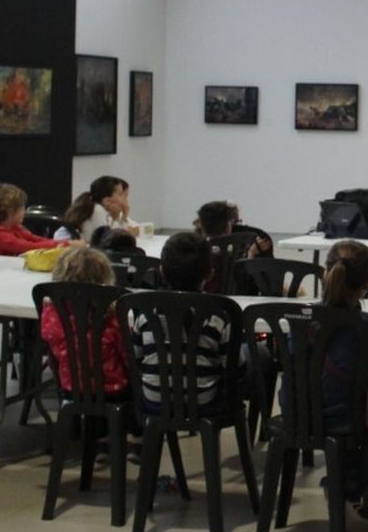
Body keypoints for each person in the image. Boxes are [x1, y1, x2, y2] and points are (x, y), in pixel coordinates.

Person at [278, 239, 368, 529]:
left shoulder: (300, 319)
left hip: (296, 415)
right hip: (344, 420)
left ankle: (342, 491)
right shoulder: (366, 326)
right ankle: (346, 491)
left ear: (323, 273)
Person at [138, 231, 236, 413]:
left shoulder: (146, 312)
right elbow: (234, 366)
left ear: (161, 270)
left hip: (154, 400)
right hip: (203, 402)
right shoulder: (218, 315)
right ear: (210, 273)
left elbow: (136, 357)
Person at [37, 246, 129, 398]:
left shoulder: (52, 314)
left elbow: (50, 346)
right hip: (114, 389)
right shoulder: (111, 316)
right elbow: (127, 355)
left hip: (70, 386)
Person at [0, 182, 71, 256]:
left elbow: (36, 239)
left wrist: (65, 243)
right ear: (10, 211)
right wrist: (67, 244)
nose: (24, 211)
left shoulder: (15, 228)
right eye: (22, 208)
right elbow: (30, 247)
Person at [60, 175, 138, 243]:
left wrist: (122, 218)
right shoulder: (98, 211)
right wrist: (117, 218)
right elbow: (113, 242)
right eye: (121, 194)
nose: (124, 199)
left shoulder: (98, 209)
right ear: (107, 201)